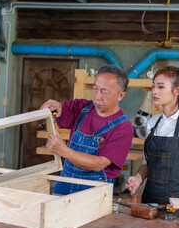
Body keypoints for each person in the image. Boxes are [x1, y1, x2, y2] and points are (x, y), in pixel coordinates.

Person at [40, 64, 134, 195]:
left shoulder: (123, 127)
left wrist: (63, 151)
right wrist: (51, 107)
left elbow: (99, 164)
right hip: (65, 183)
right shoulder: (81, 108)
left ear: (120, 96)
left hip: (94, 191)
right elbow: (57, 110)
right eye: (95, 89)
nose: (97, 97)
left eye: (104, 92)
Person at [125, 66, 179, 205]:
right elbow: (148, 163)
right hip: (149, 202)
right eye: (153, 86)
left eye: (160, 87)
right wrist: (138, 179)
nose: (154, 91)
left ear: (177, 91)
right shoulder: (152, 123)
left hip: (178, 202)